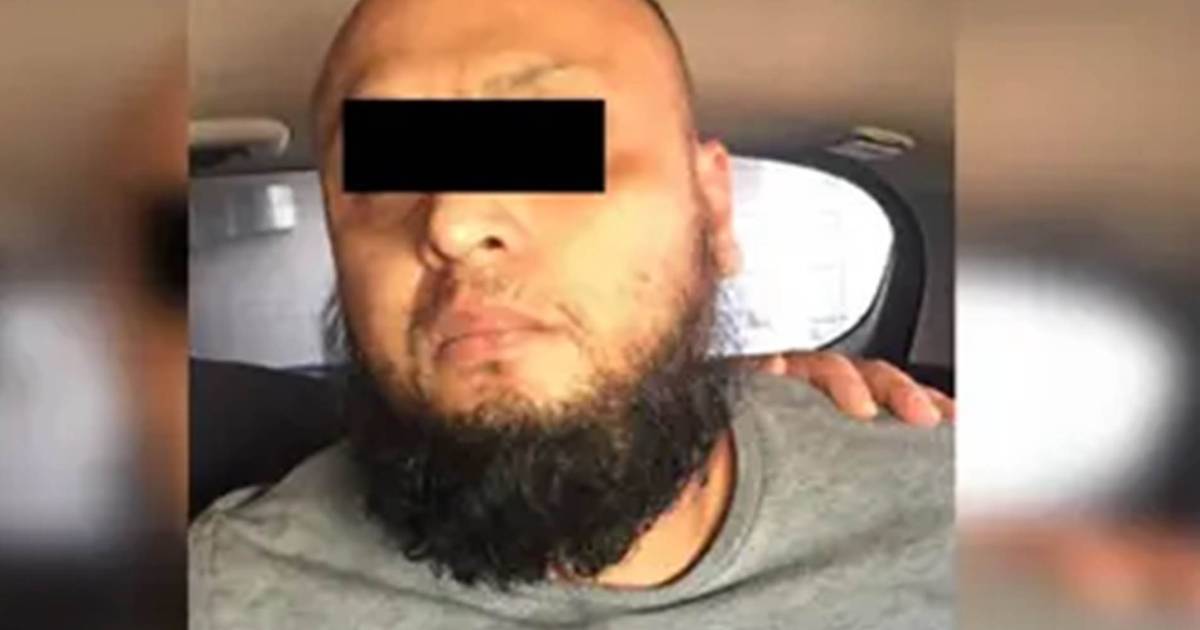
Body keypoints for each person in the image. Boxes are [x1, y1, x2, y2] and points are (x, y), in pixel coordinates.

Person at [189, 0, 952, 628]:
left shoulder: (945, 513)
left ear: (712, 208)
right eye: (384, 172)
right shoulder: (228, 593)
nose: (452, 220)